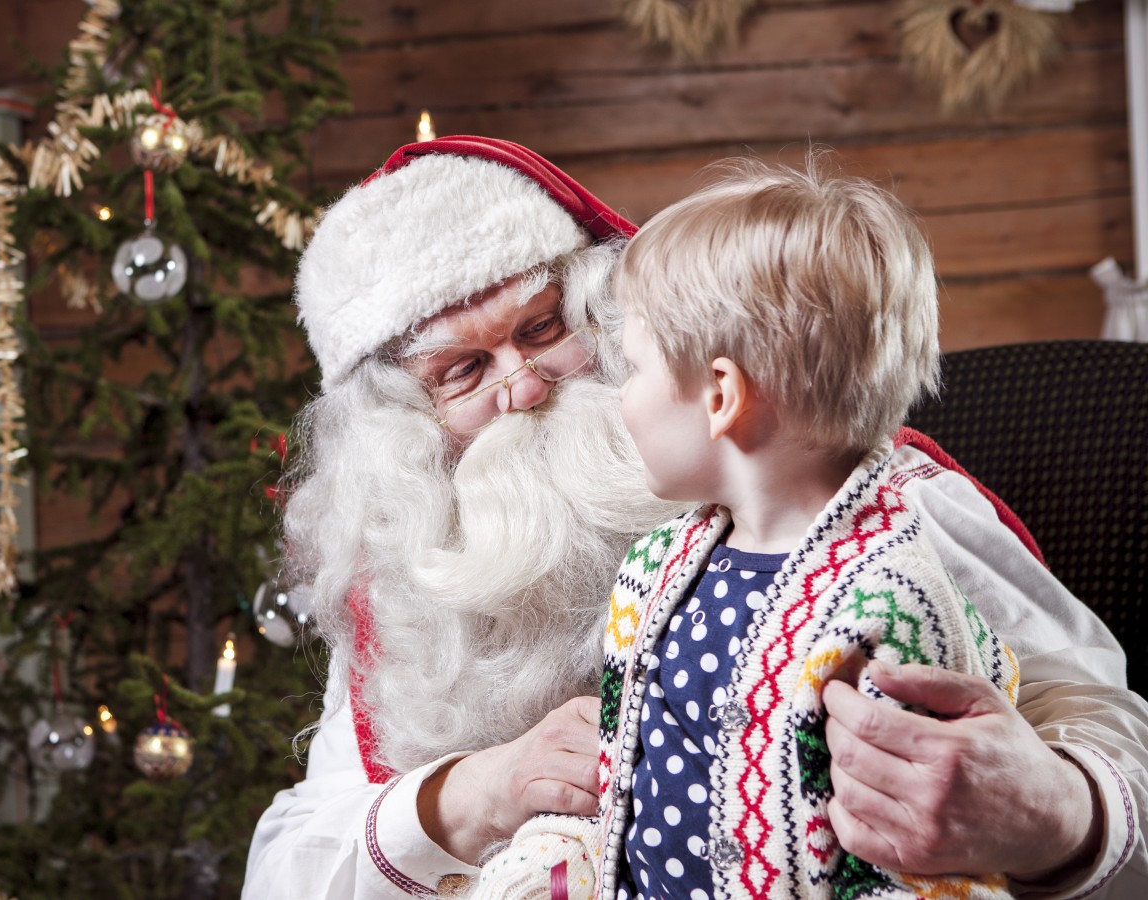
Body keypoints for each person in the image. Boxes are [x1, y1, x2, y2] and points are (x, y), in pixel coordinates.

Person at [243, 136, 1148, 899]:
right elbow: (283, 871)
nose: (522, 387)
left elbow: (1107, 720)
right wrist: (471, 796)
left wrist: (1058, 814)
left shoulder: (874, 507)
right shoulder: (411, 587)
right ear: (401, 433)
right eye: (463, 373)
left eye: (542, 328)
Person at [472, 157, 1020, 900]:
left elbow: (928, 870)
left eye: (633, 369)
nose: (619, 396)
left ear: (722, 395)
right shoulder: (654, 568)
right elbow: (625, 781)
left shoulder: (890, 604)